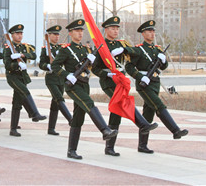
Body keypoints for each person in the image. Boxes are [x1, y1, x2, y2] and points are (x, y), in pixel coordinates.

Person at [91, 16, 158, 156]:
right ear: (106, 29)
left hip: (121, 80)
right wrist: (107, 75)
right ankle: (142, 124)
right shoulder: (101, 45)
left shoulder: (121, 44)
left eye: (117, 28)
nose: (115, 31)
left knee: (116, 112)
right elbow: (95, 68)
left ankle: (109, 148)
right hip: (109, 81)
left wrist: (124, 50)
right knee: (123, 101)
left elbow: (134, 53)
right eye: (112, 28)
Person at [51, 19, 118, 159]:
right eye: (77, 30)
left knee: (78, 117)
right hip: (73, 85)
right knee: (89, 103)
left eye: (81, 30)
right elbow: (55, 66)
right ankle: (104, 129)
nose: (80, 33)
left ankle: (71, 150)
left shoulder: (86, 50)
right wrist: (67, 75)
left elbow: (92, 68)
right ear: (70, 33)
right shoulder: (66, 50)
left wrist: (92, 63)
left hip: (84, 83)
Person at [126, 20, 188, 153]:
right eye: (149, 31)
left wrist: (164, 60)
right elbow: (129, 67)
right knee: (159, 105)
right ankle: (175, 130)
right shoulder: (138, 50)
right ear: (143, 34)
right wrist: (139, 76)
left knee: (148, 114)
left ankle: (142, 145)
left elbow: (163, 66)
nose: (152, 33)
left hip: (155, 83)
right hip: (144, 84)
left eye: (153, 31)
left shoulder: (157, 49)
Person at [3, 24, 46, 137]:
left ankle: (13, 129)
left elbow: (33, 55)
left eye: (21, 33)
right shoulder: (8, 48)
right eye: (17, 33)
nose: (19, 35)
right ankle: (34, 113)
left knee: (17, 102)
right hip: (13, 76)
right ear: (12, 35)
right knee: (24, 92)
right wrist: (17, 65)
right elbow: (7, 65)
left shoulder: (24, 47)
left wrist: (22, 55)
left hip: (22, 76)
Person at [39, 25, 72, 135]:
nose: (57, 36)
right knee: (59, 98)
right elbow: (41, 64)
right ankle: (70, 119)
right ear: (49, 36)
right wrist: (48, 66)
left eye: (58, 34)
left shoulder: (61, 49)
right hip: (51, 78)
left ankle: (51, 128)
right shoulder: (45, 49)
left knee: (55, 103)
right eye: (54, 34)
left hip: (60, 78)